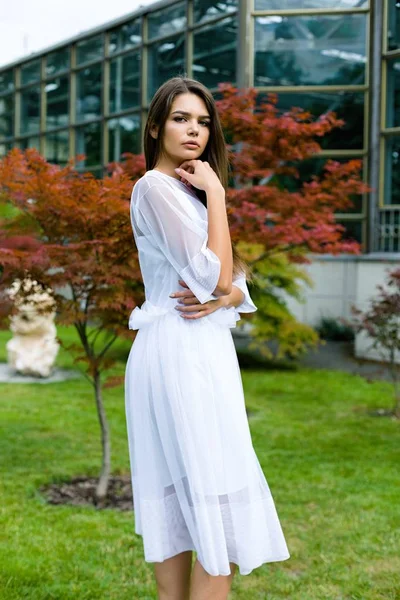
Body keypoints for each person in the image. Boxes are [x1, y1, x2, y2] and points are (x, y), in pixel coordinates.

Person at [125, 76, 290, 600]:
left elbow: (235, 285)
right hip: (181, 351)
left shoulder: (185, 195)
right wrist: (217, 193)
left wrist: (224, 293)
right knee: (215, 512)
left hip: (195, 349)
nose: (194, 130)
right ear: (155, 126)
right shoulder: (156, 187)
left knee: (185, 507)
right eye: (180, 119)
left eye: (202, 121)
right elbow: (217, 277)